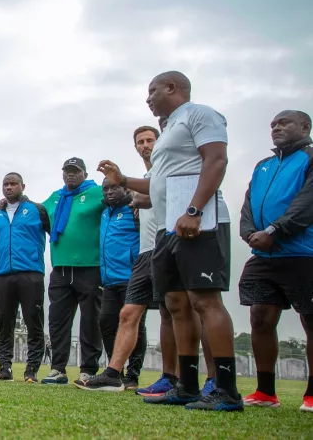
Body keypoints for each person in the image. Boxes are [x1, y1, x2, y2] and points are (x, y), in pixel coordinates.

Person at [99, 70, 242, 411]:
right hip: (167, 228)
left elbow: (216, 159)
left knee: (205, 301)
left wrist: (194, 210)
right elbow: (158, 184)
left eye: (152, 91)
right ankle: (186, 386)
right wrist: (124, 179)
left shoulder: (199, 115)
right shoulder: (167, 134)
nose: (147, 98)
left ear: (172, 88)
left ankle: (226, 389)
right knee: (175, 304)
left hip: (198, 222)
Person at [237, 110, 313, 412]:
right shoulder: (263, 166)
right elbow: (248, 205)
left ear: (305, 127)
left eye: (284, 123)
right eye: (273, 124)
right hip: (264, 256)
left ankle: (311, 394)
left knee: (310, 320)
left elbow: (306, 203)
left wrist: (274, 231)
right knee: (260, 318)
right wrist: (250, 234)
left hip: (303, 253)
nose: (276, 128)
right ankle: (265, 392)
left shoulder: (309, 158)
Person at [73, 180, 143, 392]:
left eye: (114, 187)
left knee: (135, 323)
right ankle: (115, 372)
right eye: (106, 189)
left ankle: (133, 375)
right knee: (105, 322)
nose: (109, 192)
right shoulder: (104, 213)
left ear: (125, 188)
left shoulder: (134, 209)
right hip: (109, 279)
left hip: (131, 276)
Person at [40, 158, 106, 386]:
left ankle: (88, 370)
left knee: (90, 321)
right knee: (57, 321)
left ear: (84, 174)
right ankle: (57, 369)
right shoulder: (55, 197)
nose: (70, 175)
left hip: (90, 268)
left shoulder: (97, 192)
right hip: (60, 269)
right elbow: (37, 212)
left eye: (75, 171)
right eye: (67, 171)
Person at [0, 173, 49, 382]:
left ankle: (31, 370)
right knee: (4, 323)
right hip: (3, 275)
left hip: (31, 273)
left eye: (13, 184)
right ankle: (4, 368)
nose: (9, 187)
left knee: (33, 322)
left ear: (23, 186)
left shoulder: (37, 210)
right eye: (5, 184)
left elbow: (56, 234)